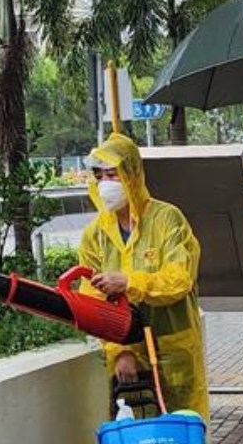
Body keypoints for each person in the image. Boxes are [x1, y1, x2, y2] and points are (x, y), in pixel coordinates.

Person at [78, 130, 209, 422]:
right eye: (99, 176)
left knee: (184, 425)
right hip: (130, 356)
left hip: (174, 344)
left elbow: (179, 278)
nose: (105, 185)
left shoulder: (166, 219)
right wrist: (120, 351)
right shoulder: (95, 236)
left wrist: (129, 283)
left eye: (113, 175)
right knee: (139, 434)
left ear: (132, 174)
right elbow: (92, 301)